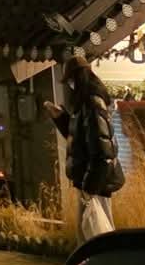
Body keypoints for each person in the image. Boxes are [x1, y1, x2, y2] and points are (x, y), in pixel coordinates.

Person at [42, 53, 126, 243]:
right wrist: (60, 118)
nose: (70, 85)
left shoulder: (92, 104)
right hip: (92, 182)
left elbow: (102, 151)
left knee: (93, 238)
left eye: (70, 80)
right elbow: (81, 140)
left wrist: (90, 187)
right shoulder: (86, 104)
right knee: (92, 234)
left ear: (77, 78)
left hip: (95, 184)